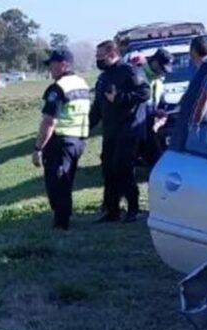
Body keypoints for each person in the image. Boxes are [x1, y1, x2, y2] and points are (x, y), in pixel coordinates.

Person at [89, 40, 151, 223]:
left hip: (129, 129)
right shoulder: (103, 77)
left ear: (111, 54)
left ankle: (133, 209)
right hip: (111, 131)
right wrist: (87, 126)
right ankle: (112, 210)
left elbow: (145, 93)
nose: (97, 60)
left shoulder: (130, 71)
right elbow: (98, 106)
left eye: (100, 56)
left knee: (123, 168)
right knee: (109, 169)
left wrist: (121, 98)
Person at [32, 48, 91, 231]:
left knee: (56, 183)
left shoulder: (58, 88)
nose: (50, 68)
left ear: (64, 64)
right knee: (67, 179)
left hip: (61, 141)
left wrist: (38, 147)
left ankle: (61, 223)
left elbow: (49, 121)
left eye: (52, 64)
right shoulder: (82, 84)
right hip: (78, 140)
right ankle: (65, 216)